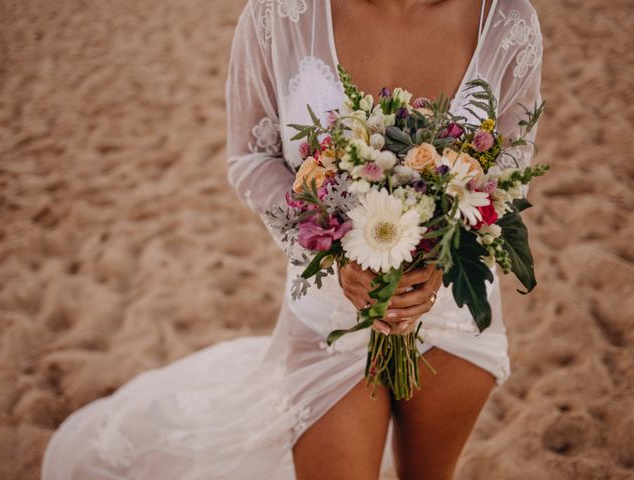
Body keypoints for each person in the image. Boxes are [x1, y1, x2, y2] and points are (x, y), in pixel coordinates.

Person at [41, 0, 543, 479]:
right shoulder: (279, 12)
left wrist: (440, 259)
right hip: (330, 316)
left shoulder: (507, 19)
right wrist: (332, 253)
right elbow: (250, 157)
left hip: (454, 311)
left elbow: (509, 169)